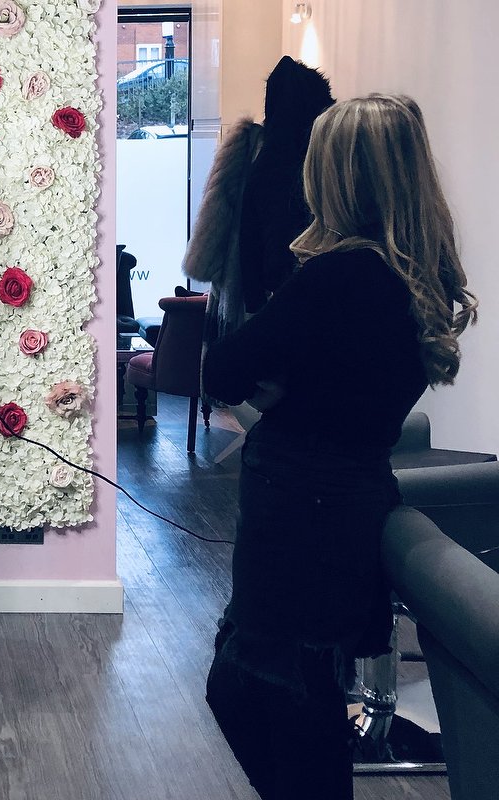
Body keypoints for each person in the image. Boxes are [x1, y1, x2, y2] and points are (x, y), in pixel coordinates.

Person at [202, 94, 478, 800]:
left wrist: (278, 383)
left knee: (273, 702)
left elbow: (224, 371)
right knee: (300, 702)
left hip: (303, 514)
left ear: (339, 175)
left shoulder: (338, 276)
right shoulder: (415, 275)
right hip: (346, 502)